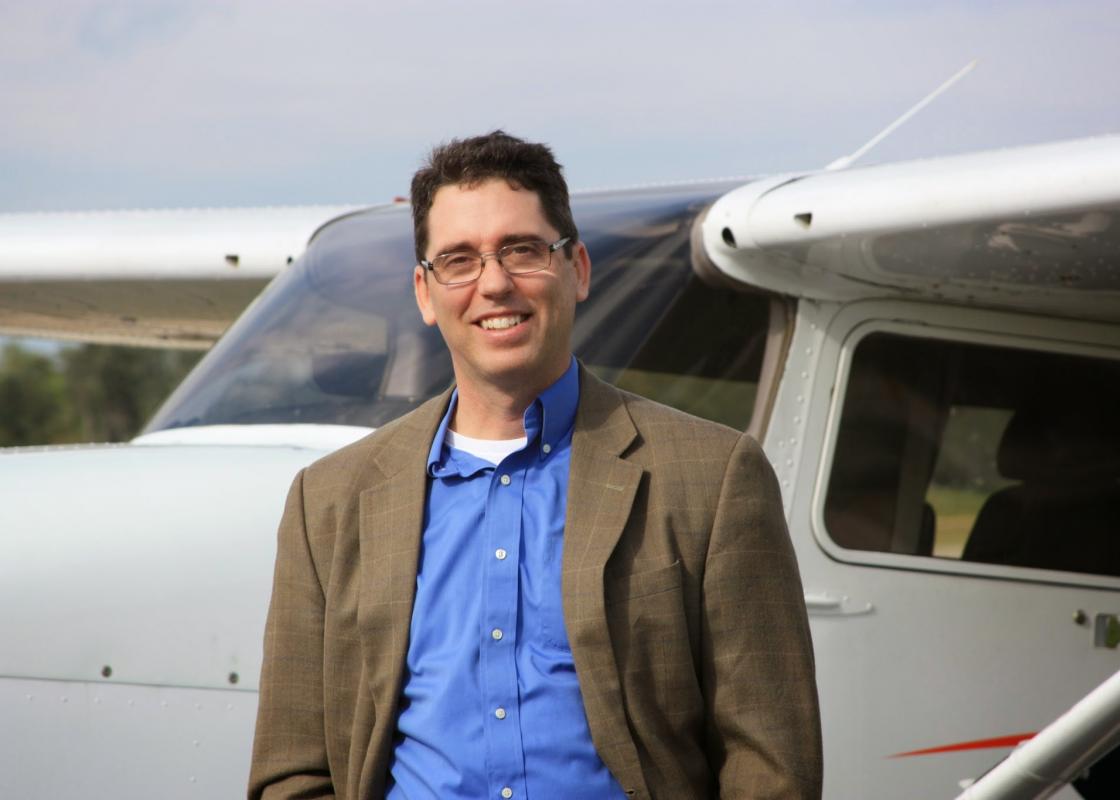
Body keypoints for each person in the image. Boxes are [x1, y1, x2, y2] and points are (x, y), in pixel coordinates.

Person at [249, 131, 821, 799]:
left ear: (577, 268)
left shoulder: (714, 477)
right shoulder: (328, 503)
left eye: (521, 250)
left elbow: (771, 766)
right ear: (425, 294)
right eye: (458, 260)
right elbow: (292, 774)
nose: (493, 283)